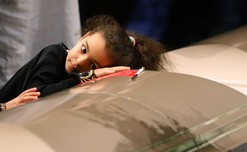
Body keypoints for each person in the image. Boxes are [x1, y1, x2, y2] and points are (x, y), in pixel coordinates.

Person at [0, 14, 167, 111]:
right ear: (84, 37)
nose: (79, 62)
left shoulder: (79, 78)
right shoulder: (54, 54)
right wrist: (88, 75)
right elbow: (36, 95)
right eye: (84, 50)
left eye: (93, 65)